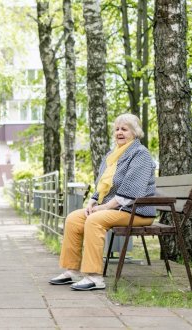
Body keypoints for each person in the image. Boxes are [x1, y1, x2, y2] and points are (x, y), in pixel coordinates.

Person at [49, 113, 156, 291]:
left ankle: (94, 277)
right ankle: (72, 271)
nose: (119, 132)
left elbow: (131, 191)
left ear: (135, 132)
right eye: (117, 129)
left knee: (94, 220)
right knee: (74, 218)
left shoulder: (140, 154)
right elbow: (102, 185)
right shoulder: (112, 155)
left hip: (137, 211)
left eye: (124, 129)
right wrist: (92, 201)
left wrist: (104, 207)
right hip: (117, 209)